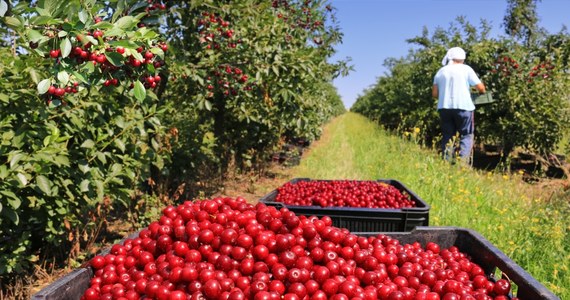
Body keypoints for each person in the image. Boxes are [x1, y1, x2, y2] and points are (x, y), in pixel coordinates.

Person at [432, 47, 486, 163]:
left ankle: (446, 163)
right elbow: (481, 88)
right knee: (466, 135)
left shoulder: (440, 72)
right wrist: (480, 92)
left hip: (444, 108)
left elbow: (435, 94)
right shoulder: (466, 69)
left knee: (448, 135)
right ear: (462, 59)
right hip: (464, 107)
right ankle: (462, 164)